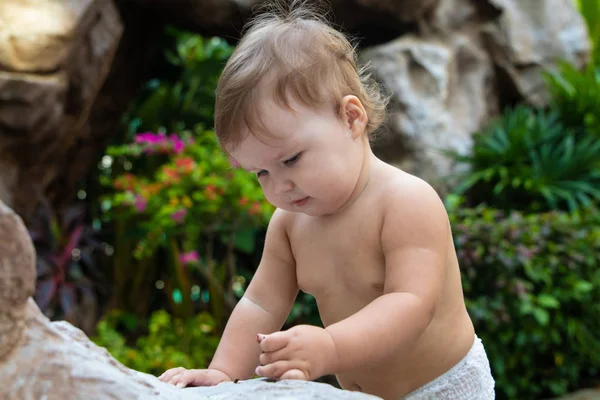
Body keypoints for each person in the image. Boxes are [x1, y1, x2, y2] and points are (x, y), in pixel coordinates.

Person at [158, 1, 495, 398]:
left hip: (444, 387)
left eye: (291, 159)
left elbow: (412, 304)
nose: (279, 185)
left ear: (351, 118)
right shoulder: (289, 224)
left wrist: (330, 346)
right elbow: (260, 304)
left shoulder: (405, 201)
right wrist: (224, 372)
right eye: (261, 173)